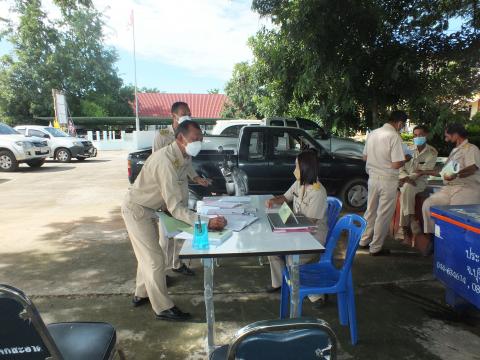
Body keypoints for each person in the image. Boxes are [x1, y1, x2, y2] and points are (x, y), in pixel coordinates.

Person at [122, 120, 226, 321]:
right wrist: (205, 221)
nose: (199, 143)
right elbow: (175, 207)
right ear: (181, 138)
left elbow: (185, 178)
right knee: (155, 259)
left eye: (201, 139)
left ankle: (141, 293)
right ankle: (162, 308)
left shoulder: (183, 156)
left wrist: (197, 181)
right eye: (195, 139)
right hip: (137, 209)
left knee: (148, 255)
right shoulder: (165, 162)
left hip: (151, 208)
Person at [153, 102, 210, 276]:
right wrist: (162, 199)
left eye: (189, 112)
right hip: (166, 190)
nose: (187, 115)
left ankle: (178, 264)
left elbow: (187, 164)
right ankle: (161, 272)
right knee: (165, 236)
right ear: (173, 115)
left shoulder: (190, 134)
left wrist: (196, 178)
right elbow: (156, 163)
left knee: (180, 230)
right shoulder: (162, 135)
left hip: (181, 189)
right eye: (183, 113)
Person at [265, 149, 328, 293]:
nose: (295, 170)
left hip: (313, 237)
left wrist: (286, 222)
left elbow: (309, 223)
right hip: (296, 230)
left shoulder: (318, 192)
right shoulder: (299, 183)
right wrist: (273, 200)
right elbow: (285, 198)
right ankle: (279, 283)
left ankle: (314, 294)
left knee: (291, 259)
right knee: (272, 250)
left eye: (297, 166)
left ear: (306, 168)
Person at [420, 123, 480, 247]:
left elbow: (473, 167)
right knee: (428, 205)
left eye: (447, 134)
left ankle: (456, 247)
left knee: (454, 215)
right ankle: (433, 239)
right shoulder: (455, 150)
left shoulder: (471, 148)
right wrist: (423, 172)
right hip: (449, 188)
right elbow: (445, 173)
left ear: (456, 134)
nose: (445, 138)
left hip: (467, 188)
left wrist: (456, 174)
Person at [359, 110, 407, 256]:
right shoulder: (394, 136)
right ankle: (376, 248)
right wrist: (407, 158)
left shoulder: (373, 133)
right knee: (383, 215)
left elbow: (364, 158)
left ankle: (363, 240)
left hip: (372, 179)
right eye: (403, 125)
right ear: (399, 122)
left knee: (370, 211)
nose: (402, 127)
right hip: (387, 180)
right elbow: (397, 164)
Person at [397, 125, 438, 245]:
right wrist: (405, 178)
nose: (417, 137)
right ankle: (412, 219)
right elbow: (400, 167)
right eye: (415, 135)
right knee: (406, 188)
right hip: (405, 179)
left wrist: (408, 179)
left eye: (420, 135)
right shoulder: (408, 149)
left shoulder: (432, 152)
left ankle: (404, 230)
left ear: (426, 135)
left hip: (419, 181)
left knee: (406, 189)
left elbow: (424, 170)